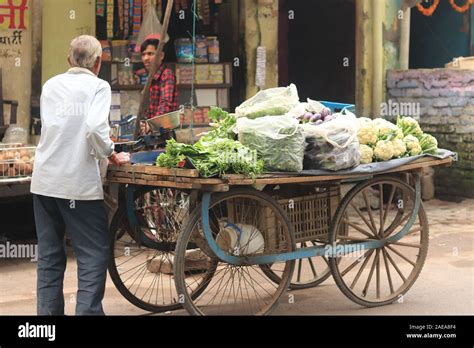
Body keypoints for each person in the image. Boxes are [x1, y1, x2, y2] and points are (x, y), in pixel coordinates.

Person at [30, 35, 130, 315]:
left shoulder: (51, 85)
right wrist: (111, 153)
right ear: (99, 62)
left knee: (49, 256)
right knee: (92, 254)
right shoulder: (98, 87)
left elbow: (62, 127)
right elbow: (95, 129)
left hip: (45, 181)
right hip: (77, 185)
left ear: (68, 60)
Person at [138, 34, 179, 135]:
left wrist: (151, 125)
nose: (146, 58)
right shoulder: (150, 77)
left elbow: (165, 103)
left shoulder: (166, 74)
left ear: (161, 56)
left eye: (150, 54)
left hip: (164, 133)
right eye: (143, 54)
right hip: (153, 133)